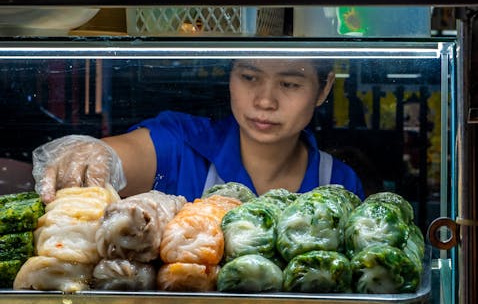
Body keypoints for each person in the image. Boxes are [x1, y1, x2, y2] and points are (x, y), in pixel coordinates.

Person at [33, 58, 364, 204]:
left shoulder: (337, 182)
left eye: (290, 83)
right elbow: (126, 155)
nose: (265, 100)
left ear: (324, 89)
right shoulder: (181, 145)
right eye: (249, 77)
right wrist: (94, 153)